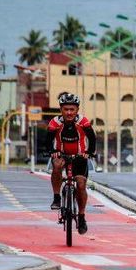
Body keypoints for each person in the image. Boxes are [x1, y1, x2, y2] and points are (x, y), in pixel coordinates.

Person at [47, 92, 96, 235]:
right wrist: (52, 151)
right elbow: (48, 140)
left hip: (80, 156)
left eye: (72, 109)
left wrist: (89, 152)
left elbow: (92, 138)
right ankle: (57, 198)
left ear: (77, 109)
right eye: (66, 109)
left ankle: (81, 217)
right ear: (61, 109)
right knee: (56, 165)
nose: (69, 112)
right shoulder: (55, 122)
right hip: (61, 154)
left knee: (81, 185)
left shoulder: (83, 121)